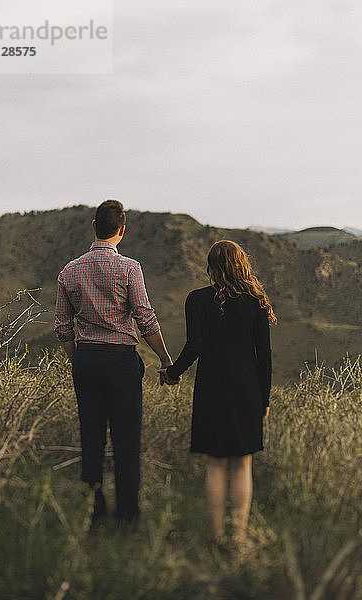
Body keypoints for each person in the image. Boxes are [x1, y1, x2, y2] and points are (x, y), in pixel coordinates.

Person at [54, 200, 172, 526]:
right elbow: (145, 319)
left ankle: (92, 511)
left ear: (94, 226)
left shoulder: (69, 271)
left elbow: (63, 327)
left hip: (86, 359)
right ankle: (127, 515)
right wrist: (166, 360)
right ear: (122, 230)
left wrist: (78, 359)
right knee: (126, 439)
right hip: (121, 362)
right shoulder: (130, 269)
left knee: (90, 437)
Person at [160, 240, 275, 545]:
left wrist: (172, 373)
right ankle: (238, 538)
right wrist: (264, 399)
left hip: (211, 388)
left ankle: (216, 536)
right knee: (242, 463)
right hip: (247, 390)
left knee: (216, 463)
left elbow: (194, 345)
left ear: (211, 267)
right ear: (242, 264)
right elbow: (264, 356)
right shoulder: (256, 301)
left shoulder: (196, 300)